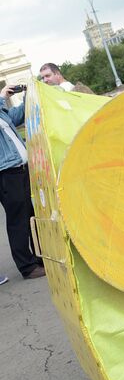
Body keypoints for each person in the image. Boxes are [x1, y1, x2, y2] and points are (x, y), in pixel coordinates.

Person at [0, 84, 45, 280]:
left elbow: (18, 116)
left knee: (30, 215)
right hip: (7, 173)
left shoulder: (2, 114)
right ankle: (26, 267)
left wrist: (28, 95)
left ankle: (40, 258)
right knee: (18, 219)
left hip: (20, 170)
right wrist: (1, 97)